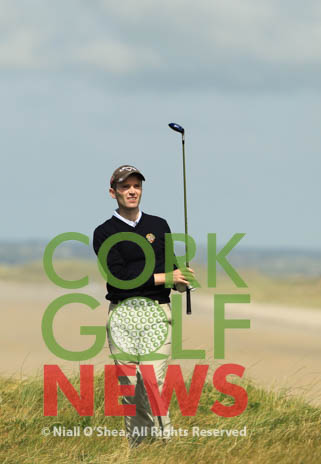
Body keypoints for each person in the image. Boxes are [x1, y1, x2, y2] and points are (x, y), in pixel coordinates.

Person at [92, 164, 194, 447]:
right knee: (130, 389)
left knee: (151, 383)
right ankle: (139, 450)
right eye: (125, 187)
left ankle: (165, 447)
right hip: (122, 314)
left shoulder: (159, 225)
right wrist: (165, 277)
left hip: (156, 312)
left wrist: (182, 280)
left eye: (136, 186)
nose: (132, 191)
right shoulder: (103, 232)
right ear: (113, 192)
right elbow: (120, 277)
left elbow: (171, 266)